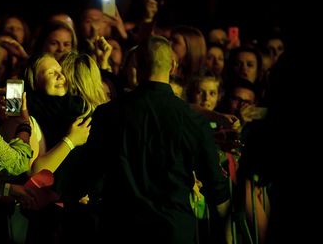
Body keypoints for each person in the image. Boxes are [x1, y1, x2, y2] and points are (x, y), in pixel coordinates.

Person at [89, 36, 230, 243]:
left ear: (137, 65)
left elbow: (90, 170)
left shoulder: (108, 114)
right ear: (172, 66)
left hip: (120, 228)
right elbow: (215, 185)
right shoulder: (192, 120)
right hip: (173, 228)